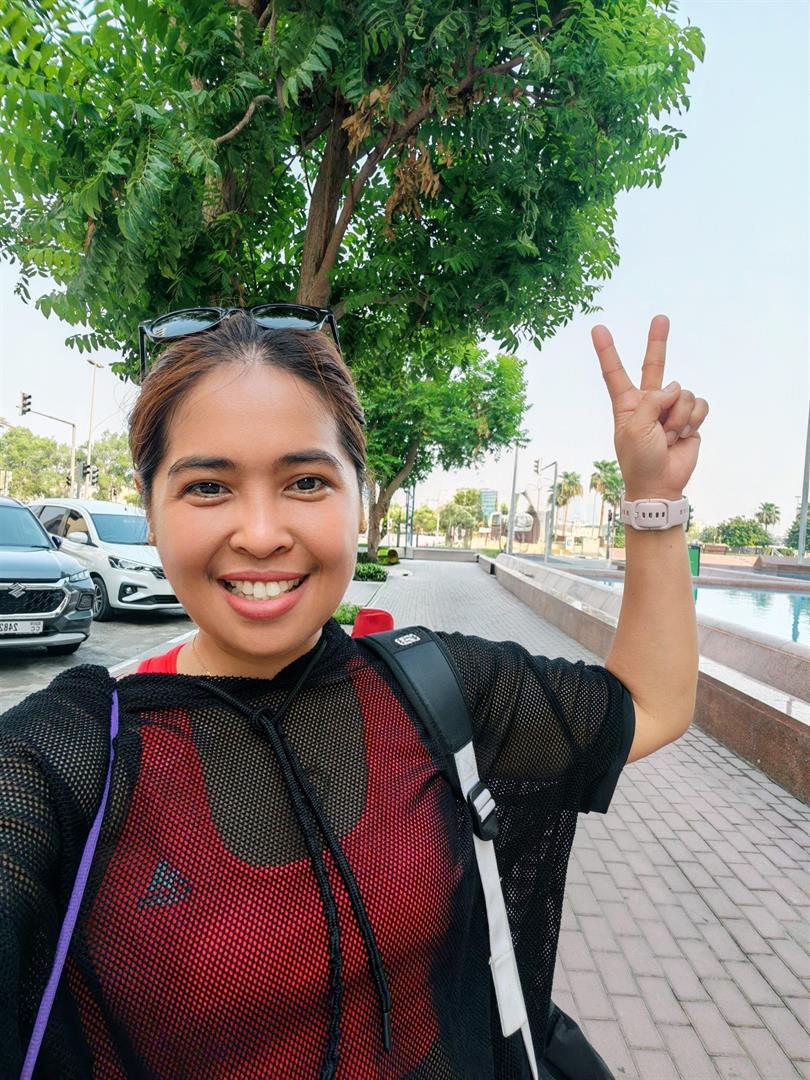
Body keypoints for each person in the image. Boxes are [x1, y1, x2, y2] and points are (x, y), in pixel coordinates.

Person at [0, 308, 708, 1079]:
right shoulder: (71, 758)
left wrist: (653, 502)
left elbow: (652, 703)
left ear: (358, 498)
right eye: (208, 487)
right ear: (151, 511)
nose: (261, 533)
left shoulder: (432, 689)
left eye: (306, 482)